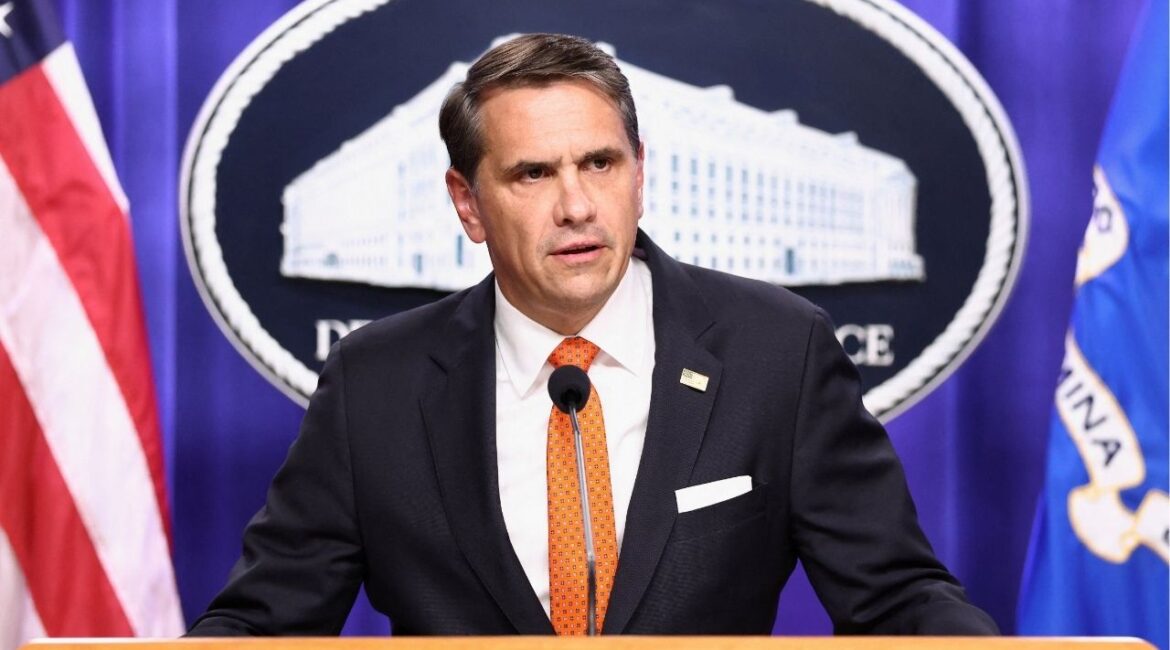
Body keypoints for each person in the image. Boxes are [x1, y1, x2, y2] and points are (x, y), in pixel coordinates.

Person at [188, 33, 998, 636]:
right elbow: (267, 624)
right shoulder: (378, 383)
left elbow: (895, 597)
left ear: (639, 173)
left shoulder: (776, 352)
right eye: (533, 174)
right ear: (468, 203)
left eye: (600, 165)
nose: (577, 206)